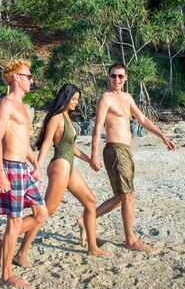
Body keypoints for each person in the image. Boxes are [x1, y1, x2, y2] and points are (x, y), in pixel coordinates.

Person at [14, 83, 112, 264]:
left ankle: (92, 247)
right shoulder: (56, 118)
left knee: (90, 201)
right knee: (45, 212)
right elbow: (46, 143)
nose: (76, 103)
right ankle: (19, 252)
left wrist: (89, 160)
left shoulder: (67, 117)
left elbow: (71, 147)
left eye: (77, 99)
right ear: (65, 98)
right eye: (73, 99)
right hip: (59, 166)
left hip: (69, 166)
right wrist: (38, 166)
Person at [87, 62, 176, 252]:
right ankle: (131, 241)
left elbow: (142, 120)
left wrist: (163, 136)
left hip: (126, 150)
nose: (116, 79)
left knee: (122, 196)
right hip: (115, 149)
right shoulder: (106, 99)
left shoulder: (127, 98)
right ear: (108, 77)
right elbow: (97, 128)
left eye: (120, 76)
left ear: (126, 77)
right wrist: (93, 154)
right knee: (128, 195)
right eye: (113, 76)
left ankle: (86, 219)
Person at [0, 59, 49, 289]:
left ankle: (1, 242)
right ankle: (6, 274)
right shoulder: (6, 104)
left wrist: (35, 163)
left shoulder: (23, 107)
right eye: (28, 76)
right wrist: (0, 174)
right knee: (14, 223)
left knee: (41, 213)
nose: (31, 80)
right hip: (10, 168)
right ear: (16, 77)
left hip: (24, 168)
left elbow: (23, 142)